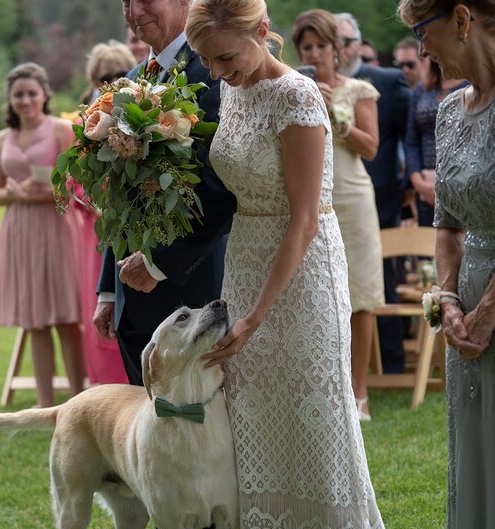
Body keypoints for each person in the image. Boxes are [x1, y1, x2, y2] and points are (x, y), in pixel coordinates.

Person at [186, 1, 385, 525]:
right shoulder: (232, 87)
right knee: (250, 411)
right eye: (206, 60)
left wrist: (256, 315)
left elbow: (304, 221)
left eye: (224, 56)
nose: (216, 72)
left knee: (312, 418)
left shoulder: (296, 96)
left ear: (263, 32)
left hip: (301, 269)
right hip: (244, 258)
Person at [397, 0, 495, 526]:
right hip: (466, 312)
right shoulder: (447, 112)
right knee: (477, 446)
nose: (421, 48)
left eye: (423, 30)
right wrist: (448, 299)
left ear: (461, 19)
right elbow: (445, 224)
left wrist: (488, 310)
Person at [95, 0, 237, 386]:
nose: (133, 11)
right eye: (125, 2)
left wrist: (159, 263)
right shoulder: (132, 80)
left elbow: (221, 188)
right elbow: (119, 198)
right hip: (131, 297)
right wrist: (109, 289)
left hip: (192, 289)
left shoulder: (215, 71)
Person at [294, 9, 384, 421]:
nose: (315, 54)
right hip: (312, 200)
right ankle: (324, 388)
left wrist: (339, 115)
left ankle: (359, 393)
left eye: (321, 46)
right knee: (318, 293)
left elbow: (371, 148)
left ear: (337, 48)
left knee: (362, 297)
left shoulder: (359, 90)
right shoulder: (294, 89)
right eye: (306, 47)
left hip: (353, 197)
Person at [0, 63, 86, 407]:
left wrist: (42, 191)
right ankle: (46, 404)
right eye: (18, 94)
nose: (25, 100)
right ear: (10, 99)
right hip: (20, 233)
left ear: (45, 95)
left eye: (32, 93)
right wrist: (15, 195)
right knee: (35, 320)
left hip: (56, 226)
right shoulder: (2, 139)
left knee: (66, 317)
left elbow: (76, 189)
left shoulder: (60, 130)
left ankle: (77, 402)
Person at [336, 12, 410, 374]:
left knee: (380, 283)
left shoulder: (385, 80)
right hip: (328, 198)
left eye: (348, 41)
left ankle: (392, 364)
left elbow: (404, 135)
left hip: (377, 194)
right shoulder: (303, 81)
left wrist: (407, 183)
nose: (341, 48)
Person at [403, 58, 468, 228]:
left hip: (461, 183)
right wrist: (418, 182)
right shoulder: (421, 90)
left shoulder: (471, 87)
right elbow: (411, 141)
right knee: (428, 244)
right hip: (425, 184)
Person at [79, 41, 137, 105]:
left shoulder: (142, 96)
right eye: (106, 79)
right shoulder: (88, 105)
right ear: (95, 82)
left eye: (122, 76)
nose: (114, 82)